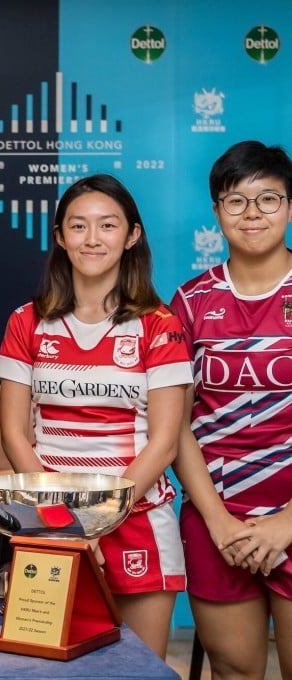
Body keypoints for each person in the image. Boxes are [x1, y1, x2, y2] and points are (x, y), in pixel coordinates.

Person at [0, 173, 191, 658]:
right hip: (49, 523)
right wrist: (66, 525)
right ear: (60, 237)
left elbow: (165, 442)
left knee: (140, 669)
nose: (93, 238)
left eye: (107, 225)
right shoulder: (27, 320)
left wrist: (96, 523)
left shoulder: (159, 325)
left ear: (132, 236)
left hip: (139, 517)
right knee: (45, 666)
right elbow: (14, 434)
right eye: (78, 226)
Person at [170, 141, 292, 679]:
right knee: (234, 671)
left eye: (269, 199)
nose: (253, 214)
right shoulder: (191, 301)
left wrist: (286, 524)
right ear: (217, 212)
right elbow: (174, 424)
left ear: (290, 207)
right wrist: (219, 524)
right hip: (217, 520)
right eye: (236, 201)